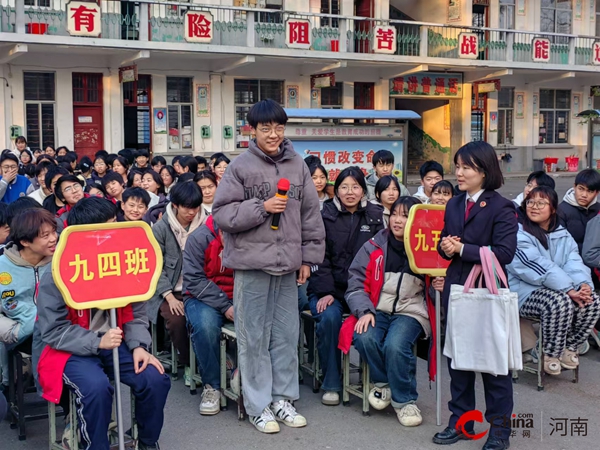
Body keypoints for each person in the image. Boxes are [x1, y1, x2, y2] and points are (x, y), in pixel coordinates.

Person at [212, 99, 325, 433]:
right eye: (266, 128)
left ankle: (283, 399)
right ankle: (259, 404)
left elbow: (310, 215)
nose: (273, 134)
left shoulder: (298, 166)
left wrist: (308, 258)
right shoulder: (240, 167)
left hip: (288, 266)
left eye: (279, 127)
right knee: (253, 338)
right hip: (251, 266)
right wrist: (261, 207)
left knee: (286, 336)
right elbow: (222, 214)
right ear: (253, 130)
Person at [36, 197, 171, 450]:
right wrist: (96, 341)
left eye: (115, 223)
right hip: (72, 350)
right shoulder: (57, 272)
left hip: (117, 342)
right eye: (108, 227)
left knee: (155, 379)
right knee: (96, 389)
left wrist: (139, 345)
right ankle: (95, 445)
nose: (116, 231)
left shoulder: (123, 261)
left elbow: (137, 309)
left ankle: (147, 442)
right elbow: (53, 331)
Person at [434, 141, 518, 450]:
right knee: (459, 362)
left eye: (466, 167)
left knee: (494, 366)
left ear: (484, 171)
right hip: (458, 291)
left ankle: (499, 431)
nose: (458, 172)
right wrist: (445, 247)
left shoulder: (502, 206)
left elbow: (505, 253)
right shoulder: (454, 203)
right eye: (457, 166)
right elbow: (446, 242)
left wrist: (463, 249)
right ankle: (461, 422)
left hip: (487, 293)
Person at [341, 196, 436, 427]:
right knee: (364, 336)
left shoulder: (427, 246)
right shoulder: (374, 245)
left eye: (405, 215)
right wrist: (364, 311)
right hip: (376, 308)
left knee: (396, 345)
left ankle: (404, 402)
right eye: (394, 214)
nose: (397, 220)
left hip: (411, 311)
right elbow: (355, 281)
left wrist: (438, 284)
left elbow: (436, 293)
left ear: (416, 219)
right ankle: (383, 383)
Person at [307, 166, 384, 407]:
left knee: (380, 321)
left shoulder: (375, 216)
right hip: (330, 290)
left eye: (355, 187)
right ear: (336, 190)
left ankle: (380, 381)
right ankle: (331, 382)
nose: (350, 192)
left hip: (364, 291)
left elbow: (380, 257)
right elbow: (318, 256)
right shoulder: (324, 215)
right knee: (328, 318)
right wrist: (326, 291)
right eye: (344, 187)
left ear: (363, 190)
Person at [507, 186, 600, 375]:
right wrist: (568, 289)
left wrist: (584, 286)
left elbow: (574, 263)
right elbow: (535, 266)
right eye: (530, 202)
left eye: (541, 203)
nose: (534, 207)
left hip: (558, 289)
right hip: (523, 291)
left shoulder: (562, 235)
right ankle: (547, 354)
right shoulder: (517, 233)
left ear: (553, 209)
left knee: (593, 302)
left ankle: (569, 348)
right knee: (558, 302)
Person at [148, 181, 206, 386]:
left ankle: (210, 360)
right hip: (171, 290)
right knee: (177, 320)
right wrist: (169, 296)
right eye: (186, 207)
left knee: (207, 319)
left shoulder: (207, 223)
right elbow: (155, 267)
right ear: (175, 205)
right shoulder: (161, 228)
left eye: (195, 207)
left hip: (200, 289)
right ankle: (189, 362)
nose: (191, 212)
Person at [0, 209, 57, 391]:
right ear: (25, 241)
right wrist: (16, 330)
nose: (53, 238)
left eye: (54, 232)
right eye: (45, 235)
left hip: (55, 326)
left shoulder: (61, 260)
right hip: (16, 331)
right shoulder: (3, 266)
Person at [183, 214, 234, 416]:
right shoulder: (198, 239)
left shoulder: (247, 236)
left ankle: (253, 382)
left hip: (237, 294)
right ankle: (212, 386)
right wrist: (225, 305)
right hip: (201, 296)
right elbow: (194, 280)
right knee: (205, 325)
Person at [557, 169, 600, 254]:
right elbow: (560, 245)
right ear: (574, 187)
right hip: (571, 260)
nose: (584, 195)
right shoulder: (561, 211)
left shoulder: (598, 210)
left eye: (590, 191)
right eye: (581, 189)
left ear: (597, 193)